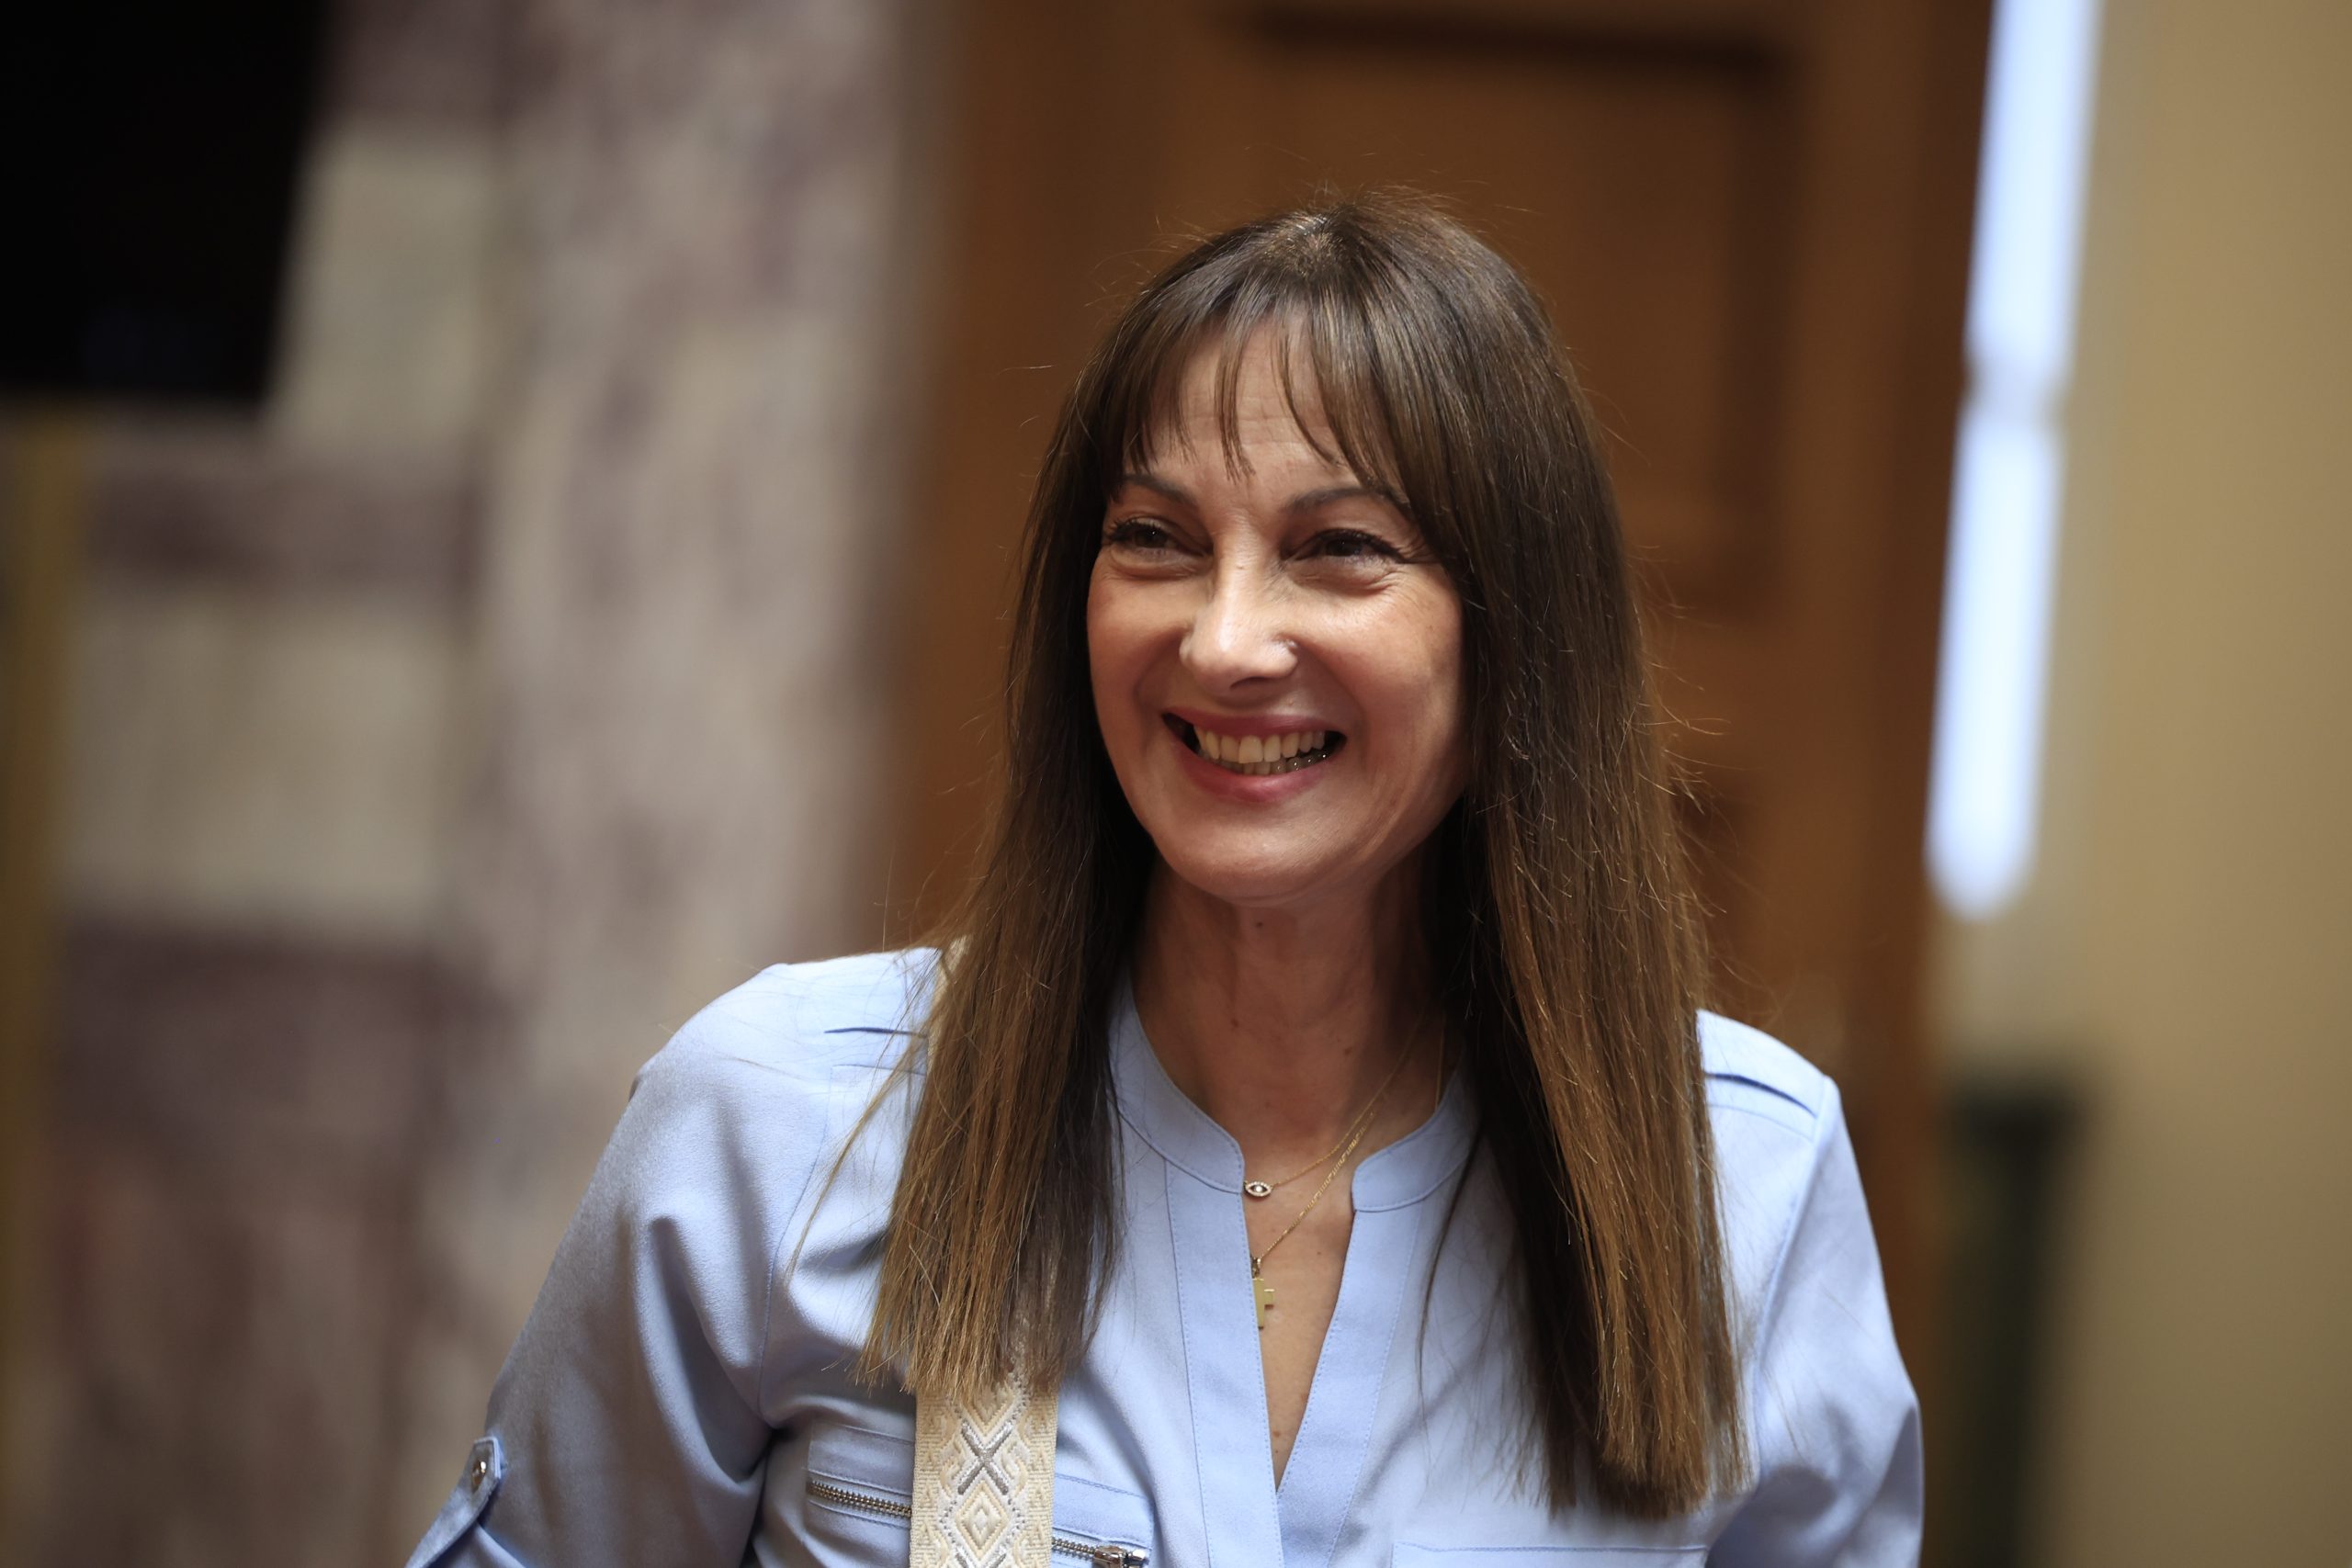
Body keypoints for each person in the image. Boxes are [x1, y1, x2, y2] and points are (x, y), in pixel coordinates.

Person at [405, 193, 1920, 1567]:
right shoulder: (779, 1126)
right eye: (1156, 539)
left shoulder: (1741, 1186)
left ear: (1515, 639)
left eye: (1340, 548)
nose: (1223, 640)